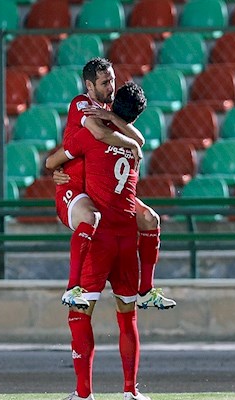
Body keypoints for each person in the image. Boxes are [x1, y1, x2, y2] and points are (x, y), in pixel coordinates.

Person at [46, 82, 151, 400]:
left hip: (99, 238)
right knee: (127, 316)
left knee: (80, 314)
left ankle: (83, 394)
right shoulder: (134, 148)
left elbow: (56, 160)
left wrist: (58, 169)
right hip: (127, 238)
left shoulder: (91, 134)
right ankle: (131, 391)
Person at [55, 57, 175, 311]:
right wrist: (129, 143)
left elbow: (139, 138)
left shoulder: (110, 114)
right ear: (90, 85)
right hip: (77, 186)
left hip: (106, 188)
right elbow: (98, 134)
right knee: (90, 217)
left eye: (113, 80)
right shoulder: (81, 104)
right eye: (105, 82)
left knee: (150, 219)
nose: (111, 87)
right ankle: (72, 287)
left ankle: (146, 290)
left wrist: (115, 120)